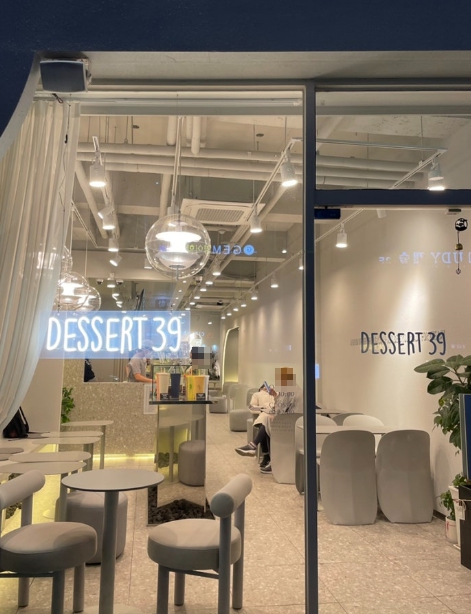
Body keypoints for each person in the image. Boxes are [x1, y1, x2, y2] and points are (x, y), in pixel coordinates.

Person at [235, 367, 303, 474]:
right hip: (297, 423)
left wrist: (274, 410)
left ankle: (257, 450)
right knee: (266, 420)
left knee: (266, 420)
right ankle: (259, 451)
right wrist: (275, 396)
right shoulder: (296, 389)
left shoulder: (287, 390)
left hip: (290, 426)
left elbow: (279, 410)